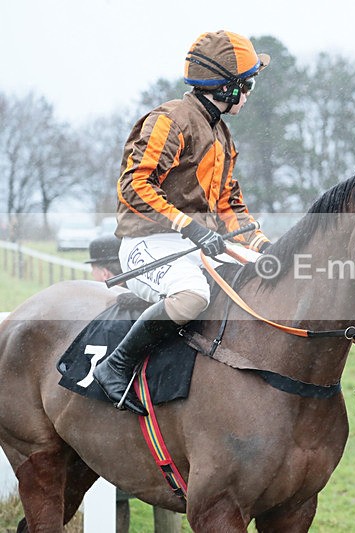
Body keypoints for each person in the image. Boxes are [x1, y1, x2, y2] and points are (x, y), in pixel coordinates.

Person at [93, 29, 273, 417]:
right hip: (147, 241)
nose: (250, 93)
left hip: (192, 243)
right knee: (192, 296)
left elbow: (229, 203)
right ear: (226, 88)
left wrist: (262, 246)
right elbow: (133, 185)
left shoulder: (221, 134)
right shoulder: (169, 119)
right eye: (248, 84)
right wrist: (188, 226)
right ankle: (117, 365)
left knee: (260, 279)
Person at [84, 235, 183, 533]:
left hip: (121, 420)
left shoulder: (109, 310)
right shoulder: (164, 292)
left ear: (103, 273)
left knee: (115, 495)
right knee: (171, 489)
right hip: (169, 414)